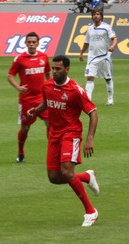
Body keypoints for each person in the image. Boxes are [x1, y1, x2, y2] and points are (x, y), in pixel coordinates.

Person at [27, 55, 100, 227]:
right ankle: (86, 177)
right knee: (53, 177)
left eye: (58, 69)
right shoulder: (47, 85)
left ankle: (90, 211)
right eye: (53, 68)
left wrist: (89, 139)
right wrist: (35, 110)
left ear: (67, 69)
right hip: (54, 134)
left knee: (67, 172)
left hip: (71, 133)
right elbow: (47, 102)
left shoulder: (76, 90)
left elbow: (93, 113)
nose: (54, 71)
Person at [7, 32, 51, 163]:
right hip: (27, 100)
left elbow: (48, 74)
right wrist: (18, 88)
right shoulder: (20, 59)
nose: (31, 44)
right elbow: (10, 76)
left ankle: (53, 152)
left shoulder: (44, 57)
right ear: (26, 43)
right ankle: (21, 152)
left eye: (34, 42)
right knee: (25, 128)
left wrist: (50, 88)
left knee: (51, 125)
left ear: (38, 43)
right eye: (29, 42)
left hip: (42, 99)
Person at [79, 9, 117, 106]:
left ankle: (110, 99)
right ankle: (88, 100)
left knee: (108, 78)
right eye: (94, 14)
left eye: (97, 14)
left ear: (101, 16)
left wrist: (112, 46)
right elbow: (86, 42)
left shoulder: (106, 27)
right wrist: (82, 53)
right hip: (92, 57)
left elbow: (114, 38)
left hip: (104, 56)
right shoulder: (90, 29)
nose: (95, 16)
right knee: (90, 77)